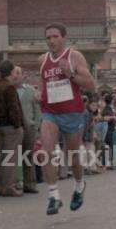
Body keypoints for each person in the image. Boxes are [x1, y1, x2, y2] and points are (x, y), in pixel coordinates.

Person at [39, 23, 95, 215]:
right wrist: (40, 95)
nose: (51, 41)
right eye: (48, 38)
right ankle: (53, 196)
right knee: (46, 151)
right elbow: (43, 84)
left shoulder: (74, 56)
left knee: (72, 157)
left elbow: (91, 85)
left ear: (64, 37)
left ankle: (79, 185)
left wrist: (70, 74)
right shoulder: (42, 60)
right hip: (50, 112)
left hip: (71, 112)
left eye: (55, 36)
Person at [0, 60, 24, 197]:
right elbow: (13, 109)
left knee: (0, 157)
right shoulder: (10, 88)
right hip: (10, 126)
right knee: (10, 157)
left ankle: (0, 187)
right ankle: (9, 187)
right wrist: (18, 125)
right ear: (10, 72)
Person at [13, 66, 41, 193]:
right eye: (13, 73)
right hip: (14, 127)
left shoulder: (30, 90)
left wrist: (35, 126)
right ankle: (17, 182)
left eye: (18, 72)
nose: (15, 75)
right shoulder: (9, 90)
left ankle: (30, 183)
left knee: (28, 155)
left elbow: (37, 110)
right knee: (14, 156)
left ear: (23, 75)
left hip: (29, 127)